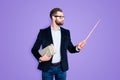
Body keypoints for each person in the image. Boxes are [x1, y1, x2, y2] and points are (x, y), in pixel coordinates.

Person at [31, 8, 86, 80]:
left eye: (63, 17)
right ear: (53, 17)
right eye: (60, 17)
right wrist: (40, 58)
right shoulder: (43, 32)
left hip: (61, 68)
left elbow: (71, 49)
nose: (63, 19)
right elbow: (34, 49)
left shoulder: (66, 32)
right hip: (47, 68)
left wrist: (78, 47)